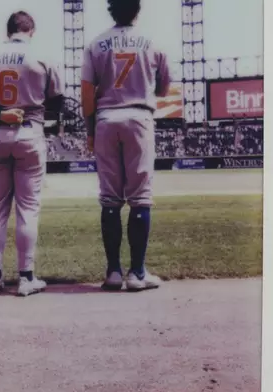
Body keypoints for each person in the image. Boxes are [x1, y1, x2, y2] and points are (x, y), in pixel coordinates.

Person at [0, 11, 64, 297]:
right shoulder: (42, 55)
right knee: (28, 208)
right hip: (31, 131)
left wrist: (0, 112)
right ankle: (26, 278)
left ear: (8, 31)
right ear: (30, 30)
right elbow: (58, 101)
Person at [81, 0, 171, 292]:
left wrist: (90, 131)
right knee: (140, 197)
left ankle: (113, 273)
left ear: (111, 10)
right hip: (139, 117)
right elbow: (164, 89)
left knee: (109, 198)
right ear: (137, 10)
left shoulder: (95, 45)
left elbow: (86, 96)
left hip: (106, 119)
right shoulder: (154, 42)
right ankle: (137, 274)